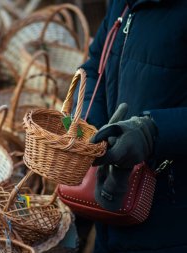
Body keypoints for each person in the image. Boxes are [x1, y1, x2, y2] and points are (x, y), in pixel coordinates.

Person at [79, 0, 187, 252]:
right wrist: (92, 124)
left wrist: (152, 131)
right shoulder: (122, 3)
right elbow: (94, 67)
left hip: (170, 220)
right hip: (110, 209)